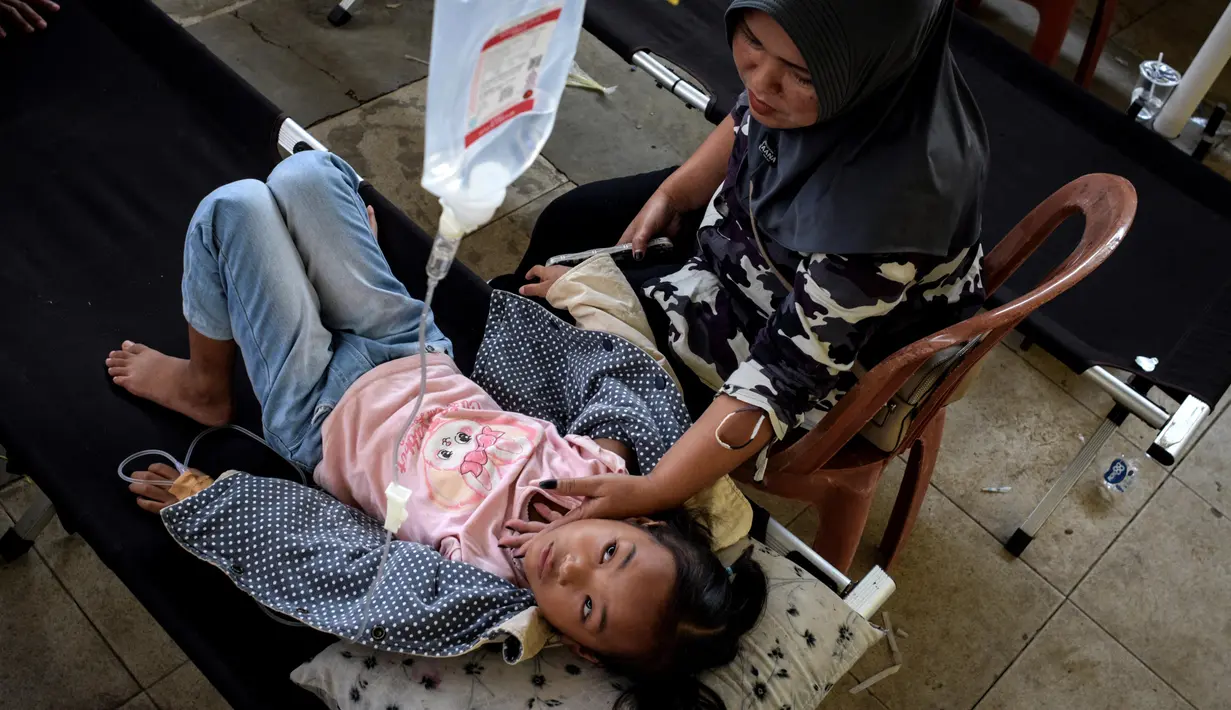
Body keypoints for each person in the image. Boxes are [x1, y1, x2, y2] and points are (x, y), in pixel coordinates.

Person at [108, 150, 766, 709]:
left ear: (579, 649)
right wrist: (584, 304)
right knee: (310, 174)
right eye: (609, 556)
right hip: (408, 347)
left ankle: (203, 385)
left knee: (236, 208)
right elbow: (627, 384)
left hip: (316, 410)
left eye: (587, 607)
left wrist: (218, 504)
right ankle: (334, 253)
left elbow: (348, 569)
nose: (571, 568)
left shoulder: (485, 583)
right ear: (642, 524)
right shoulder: (607, 475)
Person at [497, 0, 989, 532]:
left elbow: (783, 376)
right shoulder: (846, 72)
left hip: (811, 356)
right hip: (754, 251)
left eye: (800, 73)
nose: (762, 80)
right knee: (568, 225)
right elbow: (747, 114)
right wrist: (677, 192)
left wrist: (658, 488)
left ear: (865, 67)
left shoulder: (893, 209)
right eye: (752, 40)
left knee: (554, 331)